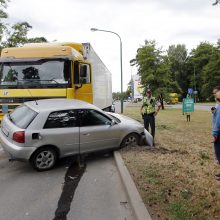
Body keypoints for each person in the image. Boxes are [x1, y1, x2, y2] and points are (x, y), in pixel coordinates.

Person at [212, 90, 220, 180]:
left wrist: (215, 133)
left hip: (218, 132)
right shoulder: (217, 105)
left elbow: (218, 121)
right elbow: (213, 112)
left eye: (215, 93)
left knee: (218, 152)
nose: (214, 94)